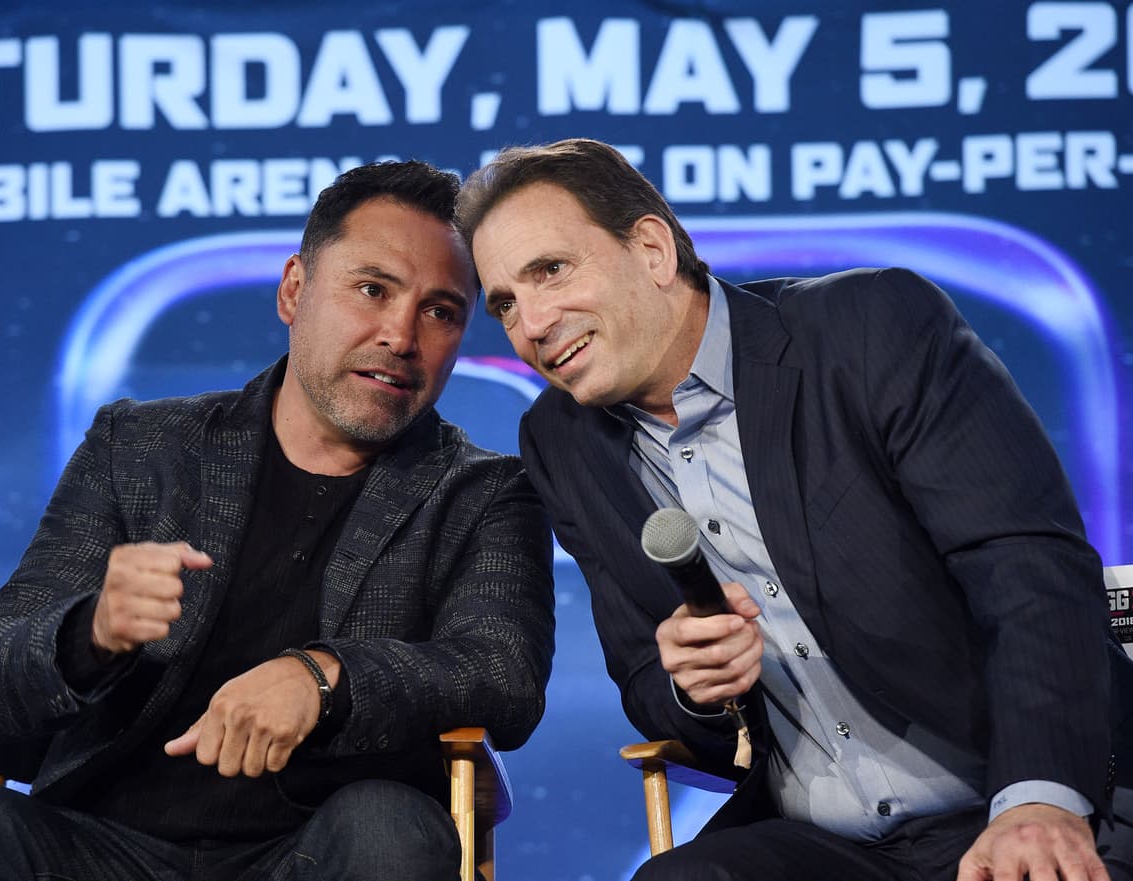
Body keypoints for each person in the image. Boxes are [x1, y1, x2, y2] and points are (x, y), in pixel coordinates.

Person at [456, 137, 1133, 881]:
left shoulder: (868, 330)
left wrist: (1038, 800)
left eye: (551, 270)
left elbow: (1030, 568)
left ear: (651, 248)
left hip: (1004, 795)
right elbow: (650, 681)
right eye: (506, 304)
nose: (533, 323)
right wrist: (697, 686)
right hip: (823, 843)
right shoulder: (560, 440)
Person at [0, 159, 555, 881]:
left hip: (316, 848)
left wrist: (323, 677)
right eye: (372, 289)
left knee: (392, 830)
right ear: (295, 289)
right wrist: (93, 631)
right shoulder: (138, 447)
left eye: (441, 311)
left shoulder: (483, 492)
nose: (400, 334)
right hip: (101, 845)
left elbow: (501, 673)